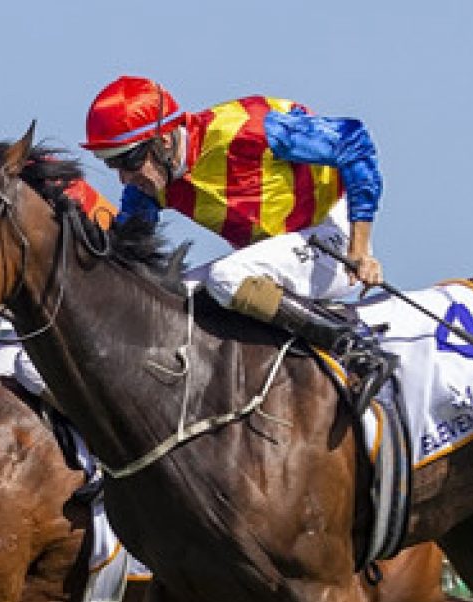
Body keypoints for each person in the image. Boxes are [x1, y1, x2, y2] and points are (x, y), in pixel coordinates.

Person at [81, 75, 394, 414]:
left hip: (331, 236)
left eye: (129, 160)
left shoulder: (246, 129)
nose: (125, 177)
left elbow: (354, 141)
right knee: (168, 298)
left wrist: (360, 250)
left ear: (165, 140)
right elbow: (122, 251)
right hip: (279, 254)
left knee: (226, 277)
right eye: (112, 164)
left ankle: (358, 351)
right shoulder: (151, 184)